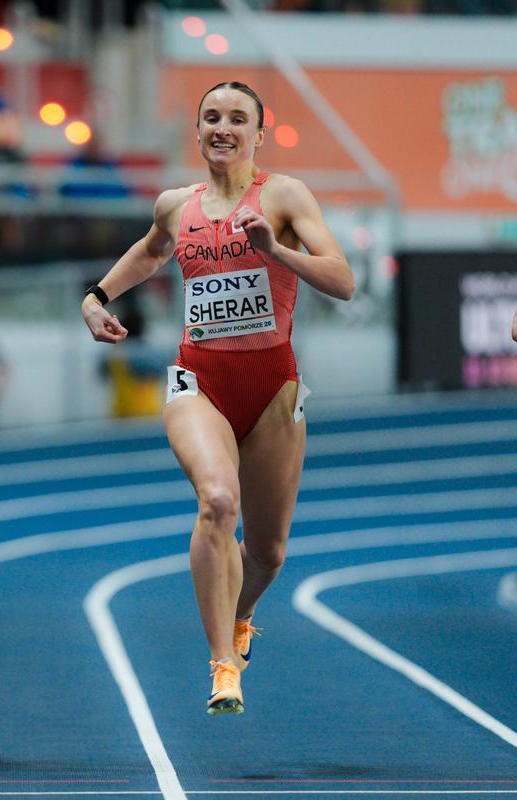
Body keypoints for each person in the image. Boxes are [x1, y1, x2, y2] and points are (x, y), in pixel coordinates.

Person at [81, 81, 354, 715]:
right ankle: (222, 665)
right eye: (211, 117)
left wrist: (275, 250)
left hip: (274, 386)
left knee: (268, 553)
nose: (222, 128)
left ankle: (241, 616)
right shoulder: (176, 205)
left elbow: (342, 280)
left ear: (259, 133)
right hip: (198, 380)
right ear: (198, 130)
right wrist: (96, 297)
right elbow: (151, 251)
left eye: (236, 118)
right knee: (218, 500)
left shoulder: (284, 196)